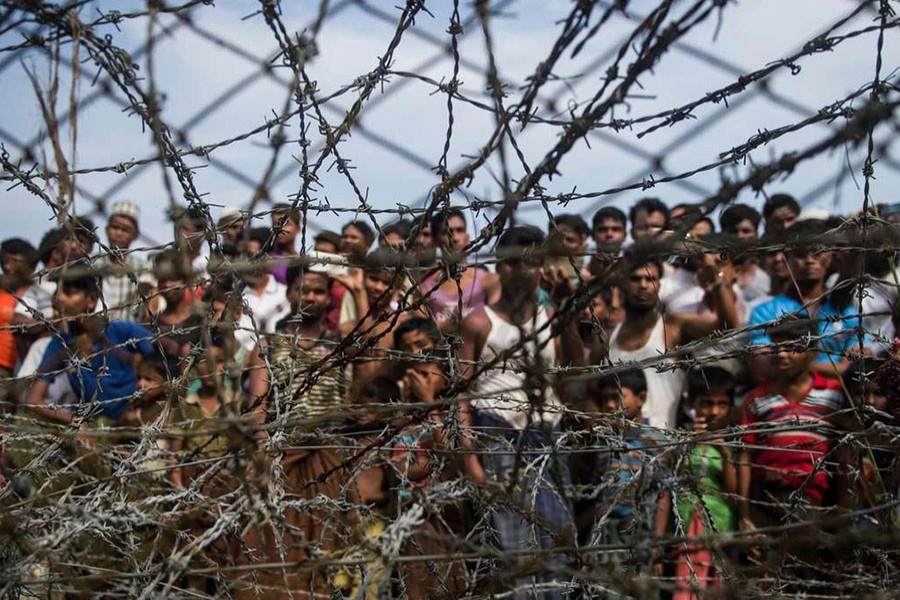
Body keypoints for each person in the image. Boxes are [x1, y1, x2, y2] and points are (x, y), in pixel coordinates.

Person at [459, 225, 582, 600]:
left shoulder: (549, 315)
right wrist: (470, 460)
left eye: (530, 263)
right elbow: (460, 394)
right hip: (499, 436)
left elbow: (576, 369)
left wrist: (568, 308)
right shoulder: (479, 322)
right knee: (517, 546)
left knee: (558, 537)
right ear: (500, 267)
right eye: (511, 264)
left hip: (548, 437)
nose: (521, 271)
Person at [598, 243, 740, 428]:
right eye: (635, 279)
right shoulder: (609, 338)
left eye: (650, 279)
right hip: (615, 444)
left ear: (659, 284)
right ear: (623, 284)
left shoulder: (671, 327)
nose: (643, 285)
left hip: (661, 443)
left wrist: (716, 281)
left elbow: (726, 326)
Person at [738, 319, 844, 533]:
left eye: (791, 347)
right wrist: (744, 513)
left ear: (811, 351)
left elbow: (845, 450)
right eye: (776, 347)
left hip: (815, 498)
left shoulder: (834, 395)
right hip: (767, 497)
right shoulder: (758, 399)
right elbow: (745, 457)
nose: (782, 354)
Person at [24, 263, 158, 425]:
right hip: (100, 423)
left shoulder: (119, 331)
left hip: (140, 411)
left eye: (68, 292)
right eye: (57, 296)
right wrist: (75, 422)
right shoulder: (60, 343)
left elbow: (164, 361)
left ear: (92, 300)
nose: (60, 300)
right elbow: (33, 399)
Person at [575, 369, 671, 587]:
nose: (610, 405)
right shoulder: (600, 445)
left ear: (641, 398)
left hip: (640, 532)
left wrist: (657, 542)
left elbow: (663, 494)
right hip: (605, 533)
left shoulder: (654, 442)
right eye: (605, 399)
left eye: (617, 397)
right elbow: (595, 496)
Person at [748, 220, 861, 380]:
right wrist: (839, 369)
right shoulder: (765, 312)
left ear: (829, 256)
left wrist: (794, 364)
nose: (809, 260)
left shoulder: (847, 312)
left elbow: (855, 369)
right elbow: (762, 368)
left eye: (816, 253)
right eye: (801, 255)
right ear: (787, 258)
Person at [673, 367, 737, 600]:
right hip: (686, 524)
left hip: (720, 526)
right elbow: (675, 480)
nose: (714, 411)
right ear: (692, 402)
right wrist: (688, 445)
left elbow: (733, 494)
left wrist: (725, 451)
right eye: (707, 403)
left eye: (722, 404)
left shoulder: (732, 444)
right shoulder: (682, 439)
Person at [420, 208, 499, 332]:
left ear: (467, 237)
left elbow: (496, 326)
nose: (455, 238)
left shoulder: (488, 281)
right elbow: (424, 332)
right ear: (435, 241)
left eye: (459, 230)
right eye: (447, 232)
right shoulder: (425, 287)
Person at [98, 201, 154, 322]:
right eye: (115, 227)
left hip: (130, 335)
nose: (118, 233)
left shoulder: (143, 268)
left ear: (135, 235)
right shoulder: (93, 266)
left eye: (125, 230)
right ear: (107, 230)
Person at [270, 203, 302, 284]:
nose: (280, 228)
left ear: (298, 229)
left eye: (286, 224)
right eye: (276, 224)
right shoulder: (268, 260)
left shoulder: (303, 260)